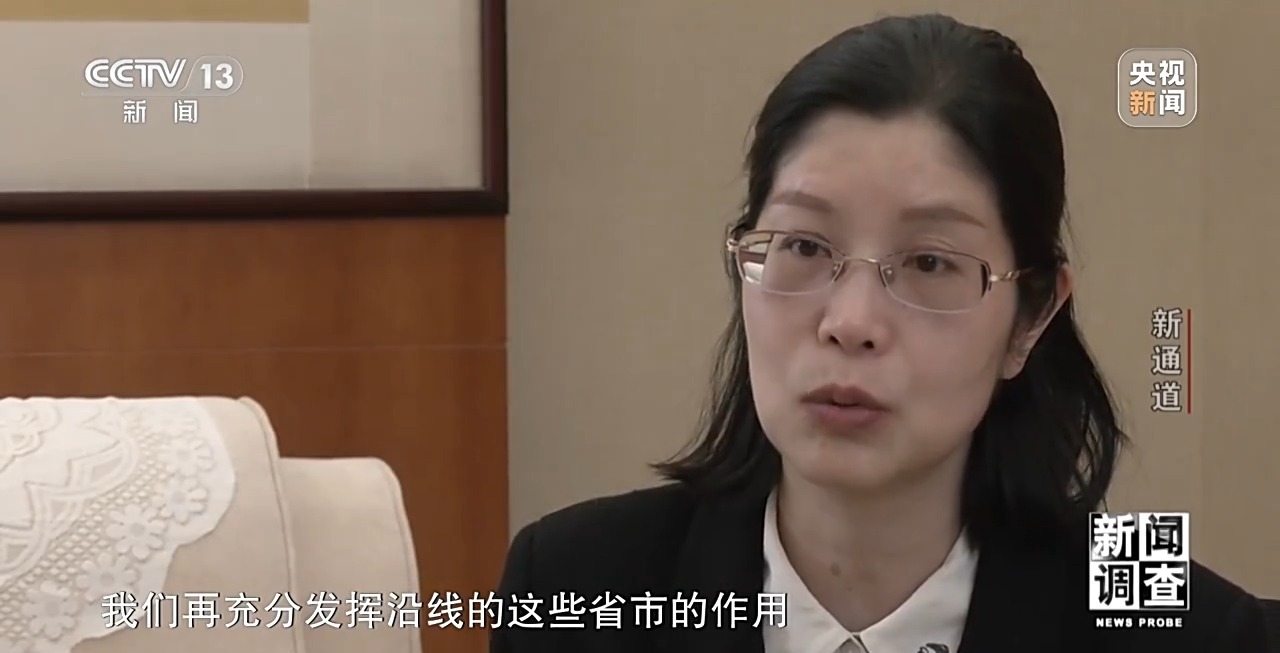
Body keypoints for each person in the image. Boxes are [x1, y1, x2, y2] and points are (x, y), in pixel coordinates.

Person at [490, 13, 1270, 653]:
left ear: (1031, 316)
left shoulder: (1199, 632)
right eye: (804, 246)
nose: (850, 322)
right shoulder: (573, 587)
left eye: (929, 261)